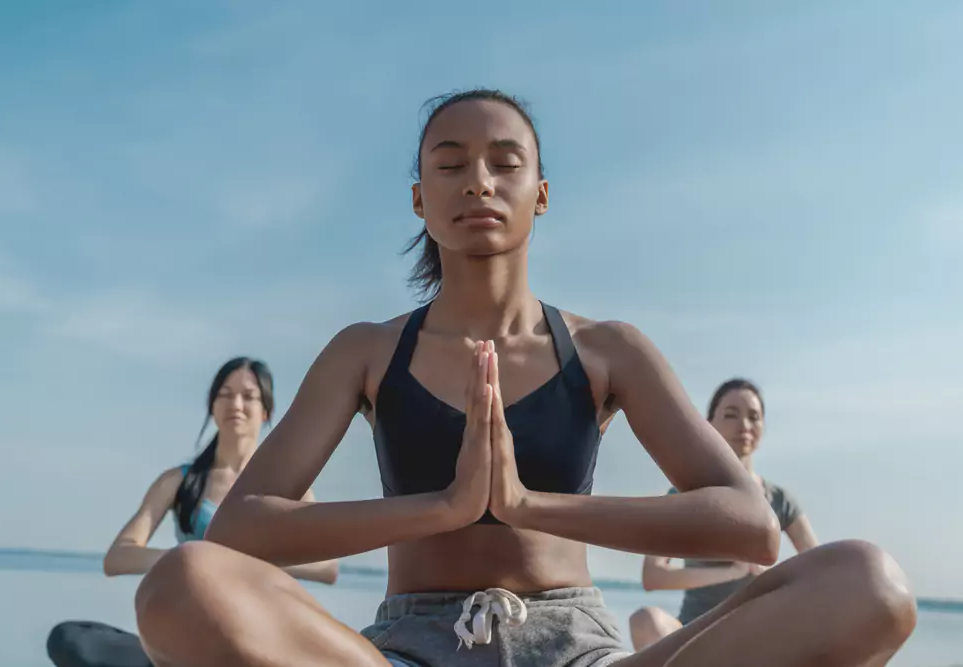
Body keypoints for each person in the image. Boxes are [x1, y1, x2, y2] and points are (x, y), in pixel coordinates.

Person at [133, 89, 916, 667]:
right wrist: (443, 506)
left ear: (540, 194)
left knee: (868, 583)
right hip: (406, 649)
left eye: (505, 163)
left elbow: (748, 525)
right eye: (451, 165)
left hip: (579, 647)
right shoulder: (365, 352)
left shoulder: (609, 350)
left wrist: (528, 504)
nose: (479, 181)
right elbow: (240, 530)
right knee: (180, 582)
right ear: (420, 199)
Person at [47, 357, 338, 667]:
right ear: (212, 406)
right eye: (225, 394)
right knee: (70, 638)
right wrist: (191, 561)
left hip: (258, 633)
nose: (236, 404)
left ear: (266, 410)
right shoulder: (178, 482)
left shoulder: (289, 486)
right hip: (189, 631)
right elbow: (117, 558)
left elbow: (326, 568)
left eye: (248, 396)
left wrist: (241, 561)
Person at [628, 378, 819, 650]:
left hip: (761, 635)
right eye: (731, 414)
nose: (744, 425)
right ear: (709, 425)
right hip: (696, 632)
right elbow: (653, 576)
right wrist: (732, 572)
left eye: (754, 417)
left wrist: (770, 576)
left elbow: (820, 569)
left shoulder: (780, 500)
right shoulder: (686, 494)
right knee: (645, 621)